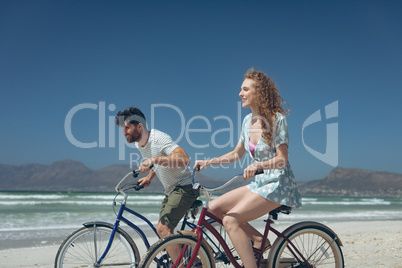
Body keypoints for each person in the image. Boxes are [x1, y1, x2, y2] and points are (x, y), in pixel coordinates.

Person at [194, 68, 302, 268]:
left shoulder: (276, 119)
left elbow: (282, 159)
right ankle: (259, 240)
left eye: (245, 89)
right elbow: (236, 154)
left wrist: (258, 164)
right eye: (240, 89)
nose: (240, 93)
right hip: (260, 183)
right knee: (214, 208)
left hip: (278, 185)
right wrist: (208, 162)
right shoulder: (246, 122)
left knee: (231, 221)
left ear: (259, 92)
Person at [115, 107, 200, 240]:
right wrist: (149, 177)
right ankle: (191, 258)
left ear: (139, 126)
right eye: (122, 129)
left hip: (185, 186)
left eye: (127, 128)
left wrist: (152, 160)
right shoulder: (139, 144)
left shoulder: (158, 138)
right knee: (163, 232)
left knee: (163, 230)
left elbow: (184, 160)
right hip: (171, 190)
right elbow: (158, 160)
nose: (123, 133)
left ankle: (182, 260)